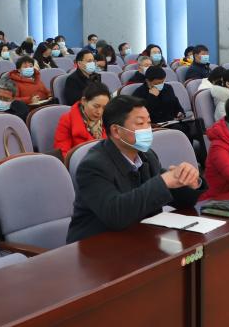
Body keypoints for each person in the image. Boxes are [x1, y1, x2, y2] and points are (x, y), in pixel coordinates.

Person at [66, 96, 205, 243]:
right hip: (97, 246)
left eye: (149, 122)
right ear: (116, 131)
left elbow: (175, 198)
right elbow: (115, 215)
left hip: (140, 238)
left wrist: (189, 182)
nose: (148, 129)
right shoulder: (92, 166)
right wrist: (163, 182)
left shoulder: (148, 156)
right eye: (140, 123)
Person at [54, 82, 110, 157]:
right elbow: (63, 153)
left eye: (104, 108)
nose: (99, 112)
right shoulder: (67, 120)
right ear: (83, 101)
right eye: (96, 106)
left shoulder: (107, 119)